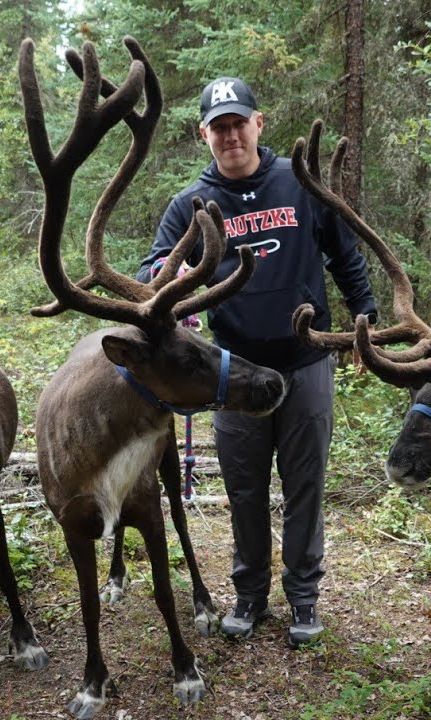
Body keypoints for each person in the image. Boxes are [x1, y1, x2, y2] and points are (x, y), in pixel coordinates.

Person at [137, 77, 378, 648]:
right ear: (204, 135)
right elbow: (153, 269)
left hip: (306, 361)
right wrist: (163, 283)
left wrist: (365, 322)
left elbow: (346, 259)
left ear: (258, 124)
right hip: (233, 377)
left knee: (304, 486)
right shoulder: (191, 207)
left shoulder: (300, 185)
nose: (230, 136)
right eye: (218, 127)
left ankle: (303, 597)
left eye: (238, 123)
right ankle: (249, 596)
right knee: (245, 489)